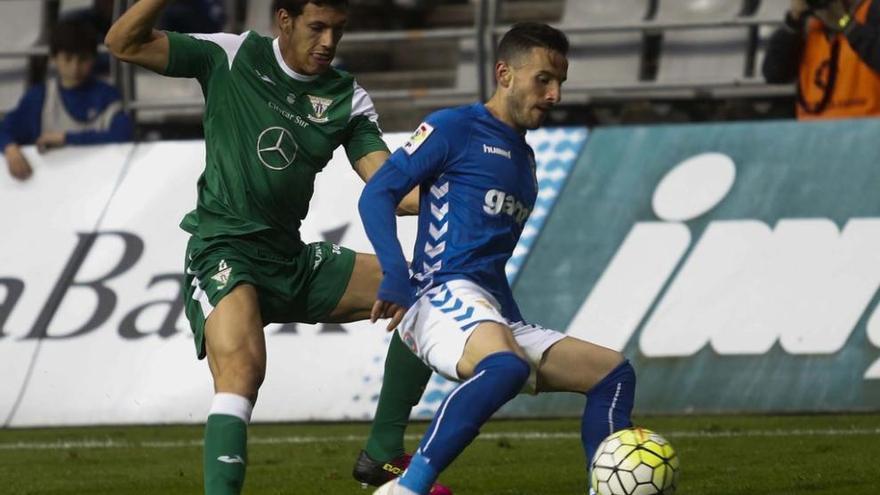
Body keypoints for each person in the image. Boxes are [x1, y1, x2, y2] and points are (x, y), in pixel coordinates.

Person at [104, 1, 442, 494]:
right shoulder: (233, 56)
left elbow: (387, 185)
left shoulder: (346, 97)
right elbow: (122, 43)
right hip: (223, 251)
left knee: (426, 293)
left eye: (338, 31)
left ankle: (383, 453)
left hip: (290, 260)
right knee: (243, 370)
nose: (329, 41)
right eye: (317, 27)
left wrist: (455, 189)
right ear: (284, 20)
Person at [358, 22, 636, 495]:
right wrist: (394, 274)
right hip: (436, 294)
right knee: (505, 367)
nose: (555, 95)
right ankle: (407, 488)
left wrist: (510, 321)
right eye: (543, 80)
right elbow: (377, 195)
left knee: (612, 373)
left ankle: (606, 488)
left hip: (484, 305)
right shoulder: (453, 127)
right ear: (505, 74)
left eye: (560, 83)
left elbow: (490, 262)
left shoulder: (525, 162)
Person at [1, 19, 133, 181]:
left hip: (101, 182)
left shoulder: (107, 95)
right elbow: (5, 130)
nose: (75, 67)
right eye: (68, 59)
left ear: (94, 58)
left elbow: (124, 134)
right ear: (54, 58)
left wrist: (65, 139)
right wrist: (10, 149)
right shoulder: (38, 98)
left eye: (83, 59)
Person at [763, 0, 880, 119]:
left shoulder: (872, 10)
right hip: (813, 131)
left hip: (867, 127)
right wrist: (793, 21)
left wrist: (846, 24)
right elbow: (773, 74)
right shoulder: (808, 22)